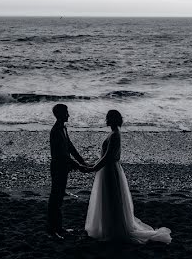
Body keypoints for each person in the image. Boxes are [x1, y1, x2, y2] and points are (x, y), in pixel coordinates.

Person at [84, 110, 171, 244]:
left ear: (112, 119)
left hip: (110, 170)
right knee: (109, 199)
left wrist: (93, 168)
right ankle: (109, 227)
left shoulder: (114, 135)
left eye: (108, 117)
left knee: (112, 199)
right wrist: (94, 165)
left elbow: (108, 157)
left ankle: (114, 229)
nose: (106, 119)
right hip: (108, 169)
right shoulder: (113, 134)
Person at [47, 103, 89, 239]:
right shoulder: (55, 131)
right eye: (66, 113)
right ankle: (53, 230)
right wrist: (79, 166)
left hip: (63, 167)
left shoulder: (63, 128)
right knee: (56, 199)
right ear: (60, 114)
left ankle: (58, 228)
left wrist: (81, 160)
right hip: (58, 167)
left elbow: (70, 146)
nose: (68, 115)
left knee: (58, 198)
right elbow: (63, 155)